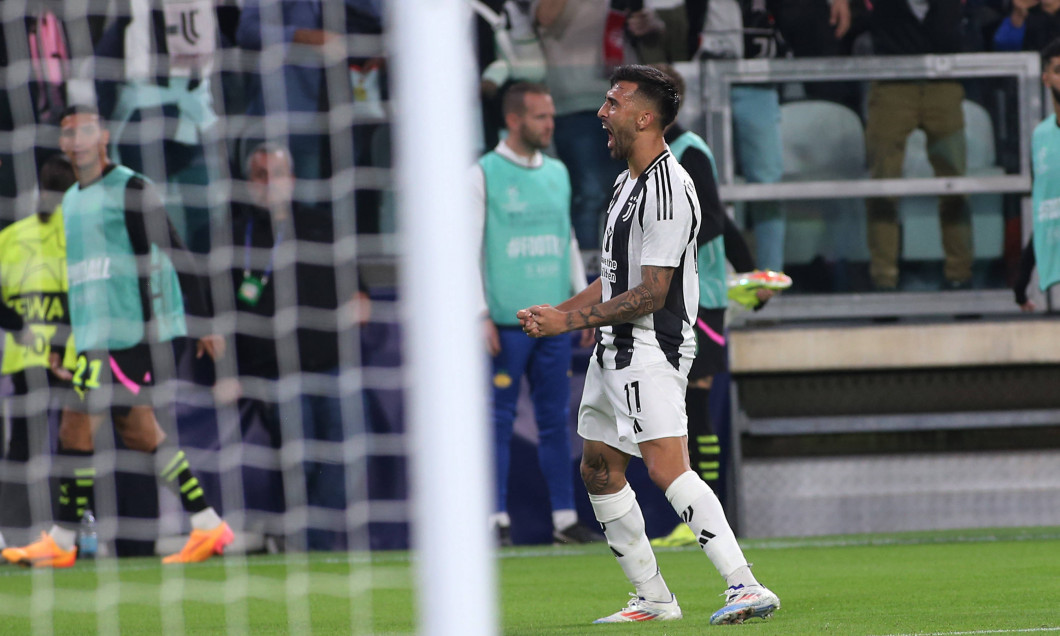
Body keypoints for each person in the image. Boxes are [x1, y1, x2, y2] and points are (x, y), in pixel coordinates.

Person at [518, 65, 779, 625]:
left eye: (612, 103)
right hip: (613, 347)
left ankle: (745, 585)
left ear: (643, 116)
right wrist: (560, 311)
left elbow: (652, 294)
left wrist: (567, 326)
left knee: (666, 468)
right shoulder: (625, 183)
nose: (600, 113)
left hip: (650, 347)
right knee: (599, 468)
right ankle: (653, 598)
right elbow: (616, 279)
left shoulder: (668, 190)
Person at [1, 105, 231, 568]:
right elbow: (79, 280)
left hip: (131, 335)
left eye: (86, 130)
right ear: (64, 144)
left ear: (103, 135)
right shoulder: (73, 202)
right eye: (69, 133)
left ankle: (63, 540)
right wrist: (66, 343)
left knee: (75, 423)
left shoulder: (130, 188)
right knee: (140, 432)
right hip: (93, 336)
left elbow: (175, 252)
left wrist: (200, 320)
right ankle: (207, 524)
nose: (78, 139)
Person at [646, 64, 778, 547]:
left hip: (702, 299)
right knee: (684, 406)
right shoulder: (662, 155)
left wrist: (745, 273)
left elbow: (713, 222)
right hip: (684, 297)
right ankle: (700, 513)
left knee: (695, 404)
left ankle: (707, 513)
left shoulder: (688, 152)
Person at [218, 142, 371, 551]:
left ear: (293, 179)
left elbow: (360, 294)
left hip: (332, 365)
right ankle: (308, 547)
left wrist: (358, 302)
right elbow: (220, 316)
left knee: (344, 459)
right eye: (260, 175)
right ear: (249, 183)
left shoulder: (322, 226)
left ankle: (311, 544)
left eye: (277, 174)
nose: (270, 184)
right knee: (299, 463)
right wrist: (228, 373)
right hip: (276, 372)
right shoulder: (233, 236)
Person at [471, 82, 602, 546]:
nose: (551, 124)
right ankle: (494, 519)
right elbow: (468, 248)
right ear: (513, 120)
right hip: (506, 322)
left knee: (555, 419)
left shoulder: (559, 172)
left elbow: (565, 238)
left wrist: (578, 308)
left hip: (551, 320)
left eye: (550, 115)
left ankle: (564, 519)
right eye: (541, 117)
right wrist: (480, 312)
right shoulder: (482, 173)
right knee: (498, 420)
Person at [865, 0, 972, 290]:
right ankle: (883, 280)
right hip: (892, 85)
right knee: (883, 185)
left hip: (944, 84)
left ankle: (960, 275)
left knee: (954, 182)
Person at [0, 155, 78, 549]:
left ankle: (12, 538)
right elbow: (78, 298)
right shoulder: (79, 236)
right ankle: (72, 536)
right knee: (74, 443)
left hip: (28, 358)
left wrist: (18, 326)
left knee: (25, 450)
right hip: (71, 358)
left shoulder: (11, 236)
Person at [695, 0, 788, 272]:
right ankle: (712, 281)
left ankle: (771, 283)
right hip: (703, 81)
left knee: (767, 186)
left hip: (759, 81)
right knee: (700, 186)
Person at [1014, 38, 1060, 310]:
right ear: (1046, 79)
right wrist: (1021, 282)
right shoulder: (1041, 136)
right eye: (1058, 71)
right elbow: (1045, 210)